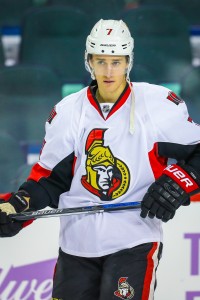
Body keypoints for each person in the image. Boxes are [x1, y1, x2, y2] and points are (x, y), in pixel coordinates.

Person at [0, 19, 200, 300]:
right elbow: (49, 181)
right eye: (101, 61)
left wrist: (178, 184)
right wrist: (19, 205)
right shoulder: (67, 112)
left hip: (135, 241)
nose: (108, 71)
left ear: (128, 62)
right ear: (89, 61)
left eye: (116, 62)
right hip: (76, 248)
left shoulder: (158, 106)